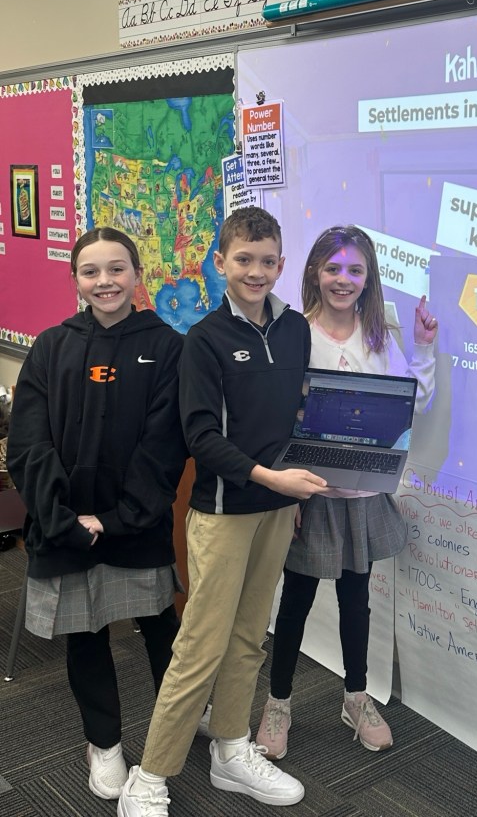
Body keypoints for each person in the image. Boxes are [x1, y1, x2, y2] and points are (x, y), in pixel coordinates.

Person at [118, 206, 328, 817]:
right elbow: (202, 437)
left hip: (276, 510)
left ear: (281, 265)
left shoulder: (295, 330)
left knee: (249, 637)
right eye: (243, 260)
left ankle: (231, 749)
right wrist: (271, 479)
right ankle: (149, 777)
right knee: (201, 645)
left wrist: (291, 488)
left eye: (267, 261)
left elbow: (295, 415)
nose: (256, 271)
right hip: (223, 510)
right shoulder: (205, 340)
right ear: (220, 263)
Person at [6, 227, 188, 800]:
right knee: (85, 634)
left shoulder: (168, 347)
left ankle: (180, 726)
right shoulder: (51, 347)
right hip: (65, 527)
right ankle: (103, 742)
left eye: (116, 269)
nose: (105, 281)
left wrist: (119, 517)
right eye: (91, 271)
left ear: (137, 275)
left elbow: (165, 445)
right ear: (76, 280)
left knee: (161, 628)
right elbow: (28, 444)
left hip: (137, 523)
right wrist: (61, 517)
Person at [255, 224, 438, 759]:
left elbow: (412, 402)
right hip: (311, 494)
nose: (343, 279)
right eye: (333, 268)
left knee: (357, 601)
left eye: (355, 270)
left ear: (368, 277)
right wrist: (289, 495)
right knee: (296, 601)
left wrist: (424, 347)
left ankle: (356, 697)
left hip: (363, 495)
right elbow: (279, 417)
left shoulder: (379, 336)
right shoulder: (296, 334)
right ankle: (278, 703)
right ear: (314, 271)